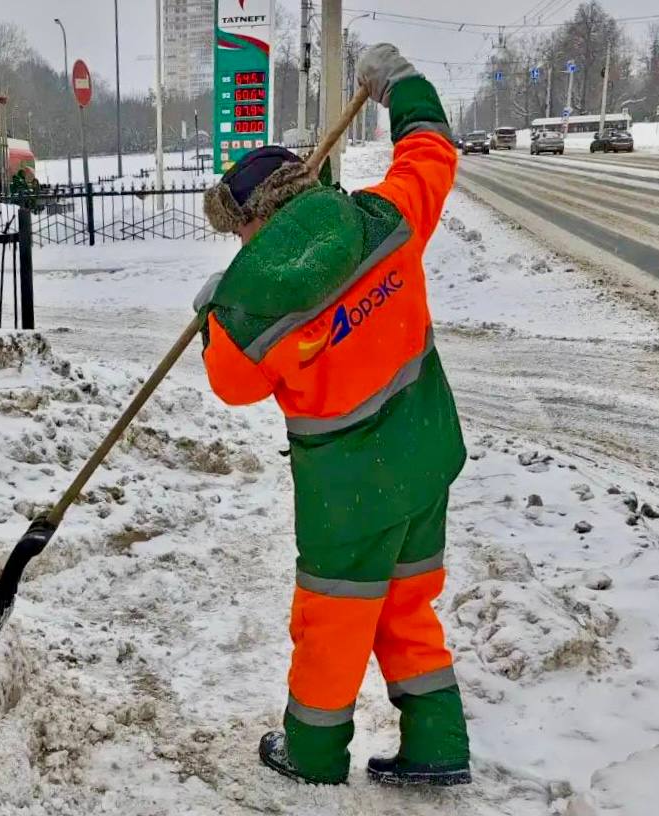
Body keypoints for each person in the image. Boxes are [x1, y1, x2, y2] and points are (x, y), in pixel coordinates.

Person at [194, 44, 471, 787]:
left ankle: (312, 756)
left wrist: (212, 313)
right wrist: (401, 85)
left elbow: (232, 383)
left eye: (239, 234)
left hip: (348, 493)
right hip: (425, 459)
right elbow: (430, 152)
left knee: (334, 624)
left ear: (250, 222)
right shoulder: (384, 219)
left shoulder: (252, 305)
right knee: (407, 606)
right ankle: (438, 745)